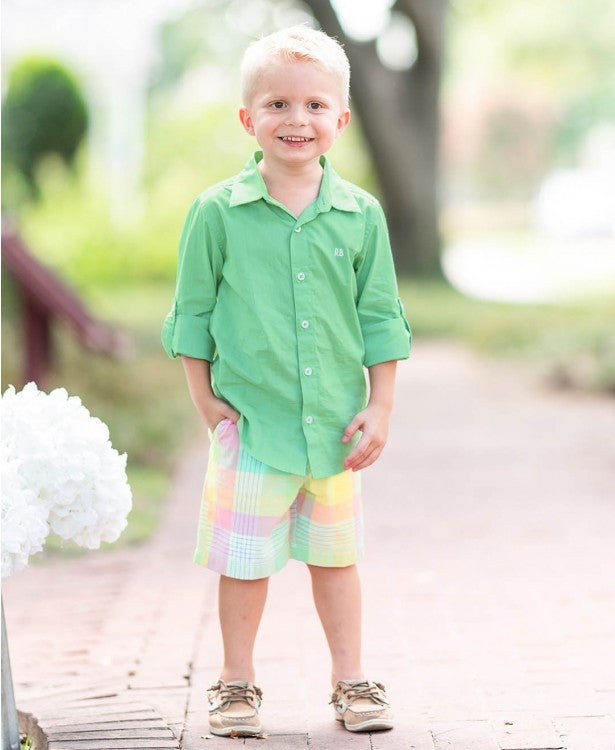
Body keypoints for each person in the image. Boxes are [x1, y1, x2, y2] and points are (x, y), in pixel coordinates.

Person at [162, 24, 411, 738]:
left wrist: (381, 406)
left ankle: (350, 681)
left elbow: (380, 317)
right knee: (244, 564)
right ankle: (236, 683)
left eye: (312, 106)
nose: (295, 120)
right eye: (275, 104)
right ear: (248, 118)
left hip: (335, 427)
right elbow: (192, 313)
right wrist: (205, 401)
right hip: (252, 425)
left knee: (336, 561)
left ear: (341, 118)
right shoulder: (217, 212)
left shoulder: (361, 215)